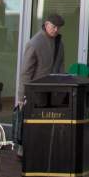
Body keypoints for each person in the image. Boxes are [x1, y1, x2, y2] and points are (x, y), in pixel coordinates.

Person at [16, 13, 65, 156]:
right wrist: (21, 96)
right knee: (33, 122)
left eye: (58, 27)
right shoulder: (35, 43)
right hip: (36, 91)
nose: (56, 30)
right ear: (46, 24)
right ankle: (24, 150)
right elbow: (26, 72)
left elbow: (61, 66)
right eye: (54, 26)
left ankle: (43, 151)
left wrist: (62, 87)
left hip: (53, 89)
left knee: (48, 123)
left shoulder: (59, 43)